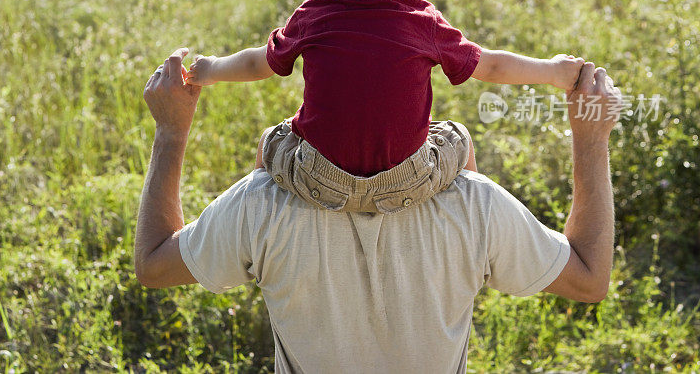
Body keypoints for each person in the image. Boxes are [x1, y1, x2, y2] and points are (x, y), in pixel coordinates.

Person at [135, 48, 621, 373]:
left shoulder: (260, 203)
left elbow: (155, 265)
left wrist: (172, 131)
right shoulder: (476, 205)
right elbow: (588, 279)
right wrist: (590, 136)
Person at [184, 0, 584, 214]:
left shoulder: (313, 16)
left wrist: (210, 70)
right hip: (405, 182)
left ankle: (257, 217)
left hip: (320, 180)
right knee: (458, 138)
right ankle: (468, 219)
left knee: (272, 139)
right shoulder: (422, 21)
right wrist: (552, 70)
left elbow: (260, 62)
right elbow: (492, 67)